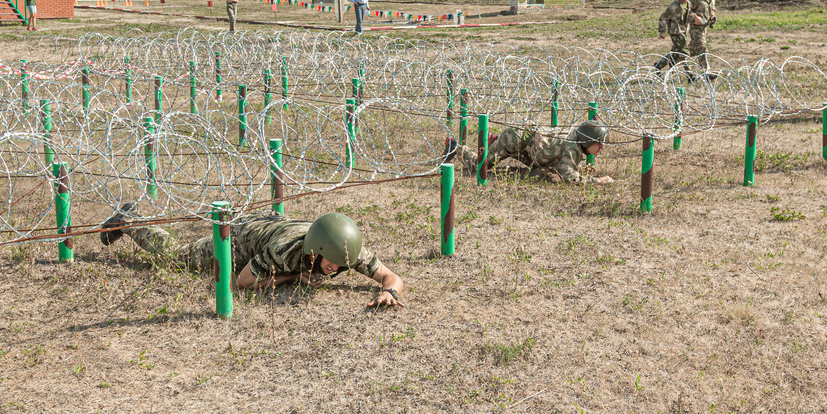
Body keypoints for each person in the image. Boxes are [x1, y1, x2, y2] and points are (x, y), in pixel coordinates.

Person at [100, 208, 406, 308]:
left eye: (341, 265)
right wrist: (292, 278)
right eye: (331, 264)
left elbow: (393, 277)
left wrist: (389, 292)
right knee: (175, 257)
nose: (336, 269)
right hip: (243, 239)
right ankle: (129, 218)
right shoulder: (285, 253)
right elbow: (243, 281)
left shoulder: (343, 246)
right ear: (317, 251)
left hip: (272, 224)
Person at [455, 121, 613, 184]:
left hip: (526, 145)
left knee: (543, 173)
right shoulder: (572, 148)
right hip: (514, 140)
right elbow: (570, 179)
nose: (601, 147)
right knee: (479, 166)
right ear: (587, 141)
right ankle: (457, 147)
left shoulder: (575, 139)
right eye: (599, 143)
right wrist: (600, 181)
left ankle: (494, 141)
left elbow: (562, 167)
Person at [655, 0, 694, 73]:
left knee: (675, 52)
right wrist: (662, 31)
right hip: (675, 32)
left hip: (683, 31)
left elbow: (689, 15)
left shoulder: (688, 4)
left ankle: (660, 65)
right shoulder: (674, 6)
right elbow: (663, 17)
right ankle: (690, 75)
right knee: (684, 52)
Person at [688, 0, 718, 74]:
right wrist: (695, 17)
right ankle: (706, 71)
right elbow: (686, 9)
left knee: (690, 51)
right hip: (695, 27)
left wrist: (713, 17)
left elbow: (712, 9)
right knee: (702, 47)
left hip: (704, 28)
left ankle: (662, 63)